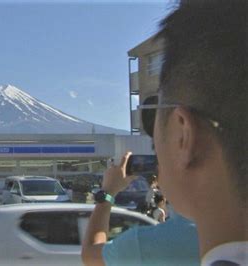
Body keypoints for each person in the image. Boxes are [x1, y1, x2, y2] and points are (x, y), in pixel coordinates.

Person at [83, 1, 247, 265]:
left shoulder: (146, 247)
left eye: (156, 111)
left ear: (184, 136)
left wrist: (107, 194)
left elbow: (90, 255)